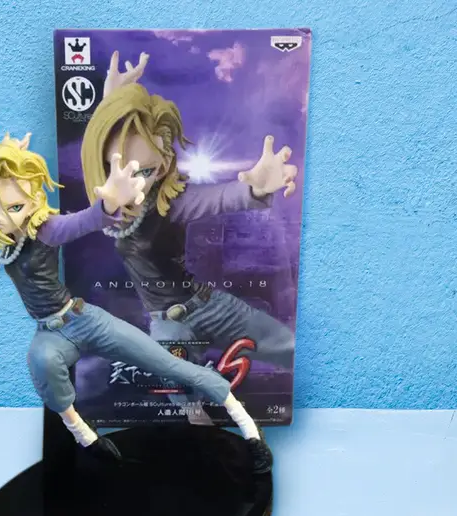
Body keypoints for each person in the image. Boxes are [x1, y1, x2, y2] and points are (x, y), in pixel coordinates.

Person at [0, 134, 273, 471]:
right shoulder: (8, 245)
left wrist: (108, 206)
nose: (0, 217)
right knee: (41, 363)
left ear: (34, 199)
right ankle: (86, 436)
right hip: (50, 334)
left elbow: (80, 223)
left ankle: (248, 428)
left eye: (14, 207)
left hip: (83, 319)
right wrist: (12, 161)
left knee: (169, 365)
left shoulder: (45, 230)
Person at [81, 52, 297, 425]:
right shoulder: (102, 208)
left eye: (148, 170)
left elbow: (214, 199)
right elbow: (104, 143)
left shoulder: (170, 201)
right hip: (167, 323)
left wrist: (254, 190)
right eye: (124, 169)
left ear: (164, 162)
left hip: (207, 304)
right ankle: (205, 439)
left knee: (287, 346)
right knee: (183, 398)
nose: (136, 181)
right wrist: (110, 101)